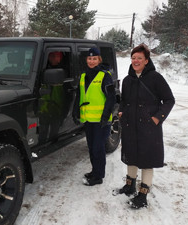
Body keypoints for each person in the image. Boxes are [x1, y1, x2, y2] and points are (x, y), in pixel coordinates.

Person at [117, 44, 175, 209]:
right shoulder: (128, 80)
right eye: (133, 58)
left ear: (146, 61)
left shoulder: (155, 78)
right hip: (130, 125)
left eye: (139, 58)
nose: (135, 61)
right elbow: (123, 101)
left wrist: (157, 118)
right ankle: (129, 186)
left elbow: (169, 100)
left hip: (149, 128)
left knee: (147, 160)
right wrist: (121, 112)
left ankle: (142, 195)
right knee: (131, 155)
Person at [73, 47, 116, 186]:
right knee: (91, 147)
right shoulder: (84, 76)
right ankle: (94, 171)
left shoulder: (105, 75)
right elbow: (80, 96)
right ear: (87, 60)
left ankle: (98, 176)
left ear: (99, 60)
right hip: (88, 119)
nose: (92, 61)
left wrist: (105, 116)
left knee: (98, 148)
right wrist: (76, 112)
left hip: (101, 121)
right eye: (89, 58)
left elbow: (111, 98)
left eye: (94, 59)